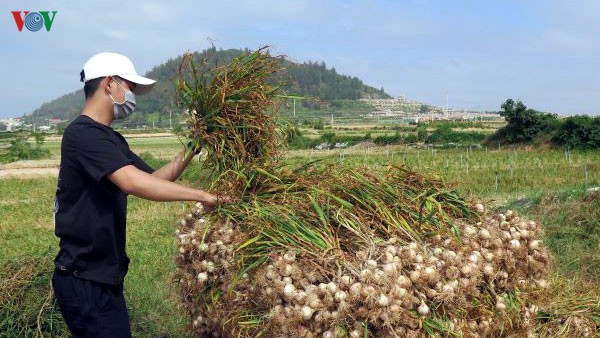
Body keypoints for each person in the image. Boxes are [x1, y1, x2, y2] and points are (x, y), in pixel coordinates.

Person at [52, 52, 217, 338]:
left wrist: (194, 145)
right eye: (129, 87)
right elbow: (131, 182)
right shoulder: (83, 134)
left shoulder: (109, 138)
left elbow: (152, 179)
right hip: (84, 279)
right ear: (109, 84)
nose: (131, 95)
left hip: (102, 277)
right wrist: (201, 194)